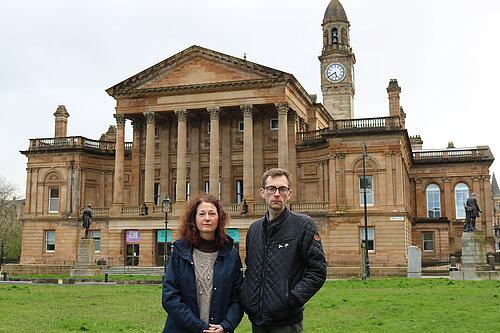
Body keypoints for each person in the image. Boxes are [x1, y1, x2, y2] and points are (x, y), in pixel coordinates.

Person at [241, 168, 327, 333]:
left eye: (282, 189)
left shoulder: (303, 225)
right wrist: (247, 299)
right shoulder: (254, 229)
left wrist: (290, 300)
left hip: (286, 322)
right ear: (262, 192)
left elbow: (318, 271)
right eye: (271, 189)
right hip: (257, 319)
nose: (277, 194)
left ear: (289, 194)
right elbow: (251, 269)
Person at [162, 193, 243, 333]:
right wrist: (199, 327)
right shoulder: (180, 251)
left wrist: (226, 326)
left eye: (212, 213)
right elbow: (170, 296)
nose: (207, 218)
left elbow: (238, 297)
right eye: (202, 214)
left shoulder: (231, 253)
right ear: (194, 219)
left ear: (219, 218)